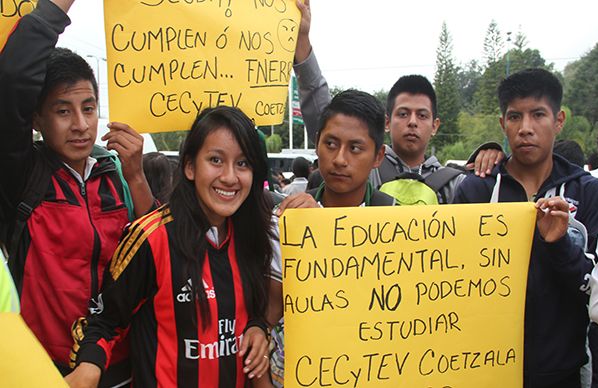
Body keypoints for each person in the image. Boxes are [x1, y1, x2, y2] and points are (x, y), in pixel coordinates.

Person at [0, 0, 154, 384]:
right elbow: (14, 79)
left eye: (89, 107)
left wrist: (136, 176)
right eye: (63, 111)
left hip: (118, 365)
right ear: (36, 118)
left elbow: (152, 248)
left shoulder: (114, 171)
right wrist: (56, 8)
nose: (81, 125)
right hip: (43, 369)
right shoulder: (21, 174)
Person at [67, 107, 276, 387]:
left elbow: (255, 312)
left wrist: (258, 327)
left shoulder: (254, 236)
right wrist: (88, 368)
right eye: (216, 160)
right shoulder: (151, 238)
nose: (229, 177)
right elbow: (104, 321)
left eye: (242, 164)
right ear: (189, 166)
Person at [454, 68, 598, 388]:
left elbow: (592, 289)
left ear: (559, 120)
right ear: (502, 124)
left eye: (538, 115)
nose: (526, 129)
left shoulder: (588, 191)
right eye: (515, 117)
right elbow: (451, 282)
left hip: (561, 372)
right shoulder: (474, 191)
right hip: (483, 369)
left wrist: (559, 244)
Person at [292, 0, 503, 204]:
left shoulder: (456, 182)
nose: (412, 122)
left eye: (422, 115)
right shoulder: (364, 168)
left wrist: (495, 158)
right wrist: (302, 43)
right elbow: (324, 113)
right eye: (403, 114)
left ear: (435, 125)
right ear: (386, 122)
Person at [268, 89, 395, 386]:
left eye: (355, 148)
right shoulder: (285, 218)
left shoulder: (397, 224)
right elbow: (270, 315)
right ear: (316, 145)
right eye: (331, 144)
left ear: (378, 156)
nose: (339, 159)